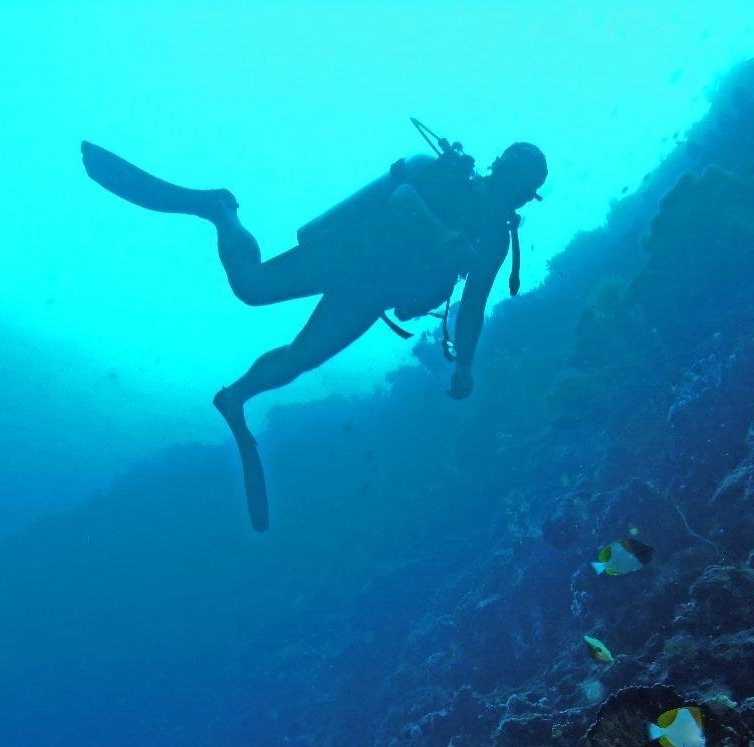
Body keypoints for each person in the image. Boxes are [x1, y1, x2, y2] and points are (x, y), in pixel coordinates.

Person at [81, 132, 547, 531]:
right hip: (348, 254)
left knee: (298, 360)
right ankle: (220, 208)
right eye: (517, 179)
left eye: (525, 188)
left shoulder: (495, 238)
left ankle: (237, 395)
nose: (517, 192)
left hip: (371, 295)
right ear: (499, 166)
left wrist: (465, 363)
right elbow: (402, 197)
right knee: (252, 287)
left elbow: (474, 304)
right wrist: (441, 237)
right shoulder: (443, 174)